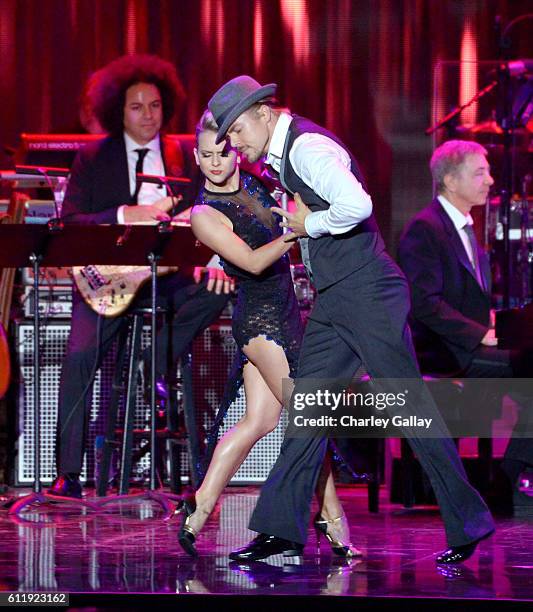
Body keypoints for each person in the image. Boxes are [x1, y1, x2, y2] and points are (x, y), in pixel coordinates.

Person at [207, 75, 495, 565]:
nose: (234, 144)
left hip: (369, 295)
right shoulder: (284, 155)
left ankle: (469, 521)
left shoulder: (307, 148)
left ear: (261, 112)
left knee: (409, 406)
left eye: (235, 132)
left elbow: (357, 205)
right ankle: (282, 528)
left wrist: (307, 224)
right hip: (338, 297)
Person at [177, 109, 361, 559]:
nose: (215, 162)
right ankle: (332, 518)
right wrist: (295, 233)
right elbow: (254, 262)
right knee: (309, 419)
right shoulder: (204, 213)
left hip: (287, 313)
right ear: (196, 159)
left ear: (235, 153)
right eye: (205, 155)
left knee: (259, 421)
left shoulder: (259, 185)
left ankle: (198, 511)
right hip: (259, 322)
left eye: (222, 152)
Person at [47, 54, 230, 498]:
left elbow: (210, 211)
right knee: (80, 354)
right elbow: (68, 221)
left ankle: (154, 364)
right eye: (136, 107)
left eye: (154, 106)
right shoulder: (94, 157)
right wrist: (124, 213)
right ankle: (69, 473)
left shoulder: (185, 154)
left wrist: (213, 256)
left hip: (168, 277)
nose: (148, 115)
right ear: (117, 111)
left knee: (219, 289)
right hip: (108, 282)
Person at [397, 139, 533, 515]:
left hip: (471, 346)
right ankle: (503, 481)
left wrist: (493, 324)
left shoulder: (467, 228)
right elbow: (423, 304)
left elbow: (467, 297)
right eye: (480, 172)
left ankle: (504, 478)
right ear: (450, 180)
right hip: (445, 352)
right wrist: (479, 333)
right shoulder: (424, 229)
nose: (490, 180)